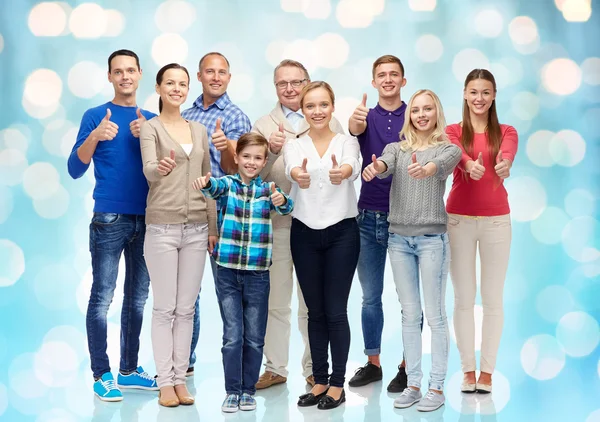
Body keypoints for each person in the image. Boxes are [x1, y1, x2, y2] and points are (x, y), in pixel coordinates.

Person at [67, 49, 158, 401]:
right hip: (109, 219)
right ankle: (101, 375)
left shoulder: (150, 118)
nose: (125, 77)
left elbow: (169, 170)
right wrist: (96, 136)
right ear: (109, 77)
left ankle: (130, 370)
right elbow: (75, 169)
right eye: (117, 71)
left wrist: (148, 135)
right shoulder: (95, 116)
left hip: (148, 219)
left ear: (139, 75)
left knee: (137, 300)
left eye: (130, 70)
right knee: (102, 297)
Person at [362, 89, 460, 411]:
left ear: (436, 113)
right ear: (410, 115)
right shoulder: (396, 148)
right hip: (399, 241)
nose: (420, 114)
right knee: (409, 314)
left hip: (432, 239)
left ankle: (437, 387)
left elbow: (444, 163)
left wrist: (427, 169)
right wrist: (375, 169)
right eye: (416, 110)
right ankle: (414, 383)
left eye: (427, 109)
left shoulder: (446, 148)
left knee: (435, 315)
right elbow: (386, 164)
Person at [251, 59, 345, 389]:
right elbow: (251, 175)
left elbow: (343, 170)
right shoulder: (263, 124)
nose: (289, 88)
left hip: (315, 225)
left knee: (312, 303)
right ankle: (276, 367)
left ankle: (314, 368)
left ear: (307, 83)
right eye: (282, 83)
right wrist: (273, 152)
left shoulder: (326, 120)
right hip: (275, 225)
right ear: (275, 87)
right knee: (276, 301)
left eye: (296, 82)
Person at [192, 133, 293, 413]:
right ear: (236, 158)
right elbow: (212, 188)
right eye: (246, 156)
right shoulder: (227, 184)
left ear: (264, 162)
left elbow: (287, 206)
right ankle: (232, 390)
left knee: (254, 335)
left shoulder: (267, 189)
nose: (251, 162)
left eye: (257, 158)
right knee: (233, 334)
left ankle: (248, 390)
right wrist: (206, 182)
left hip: (258, 274)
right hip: (227, 271)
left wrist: (279, 197)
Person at [139, 63, 217, 407]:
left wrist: (213, 226)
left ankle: (181, 378)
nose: (177, 88)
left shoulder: (198, 130)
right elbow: (149, 171)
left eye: (182, 84)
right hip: (162, 228)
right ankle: (165, 382)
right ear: (158, 88)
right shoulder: (150, 128)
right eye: (170, 83)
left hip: (198, 228)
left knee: (186, 309)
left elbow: (208, 179)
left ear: (188, 89)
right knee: (164, 308)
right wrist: (161, 168)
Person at [284, 81, 360, 410]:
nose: (317, 111)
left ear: (332, 107)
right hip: (304, 232)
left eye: (323, 105)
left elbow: (351, 168)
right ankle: (319, 381)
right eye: (310, 105)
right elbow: (292, 171)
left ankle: (337, 384)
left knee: (335, 311)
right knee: (314, 312)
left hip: (342, 231)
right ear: (303, 109)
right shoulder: (294, 145)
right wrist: (298, 177)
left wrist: (341, 173)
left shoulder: (347, 142)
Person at [445, 69, 518, 394]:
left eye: (485, 92)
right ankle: (467, 371)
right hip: (458, 220)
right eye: (473, 92)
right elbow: (453, 153)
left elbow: (507, 154)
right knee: (463, 299)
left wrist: (503, 165)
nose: (479, 98)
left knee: (492, 299)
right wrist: (466, 164)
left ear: (494, 95)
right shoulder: (451, 131)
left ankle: (487, 372)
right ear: (464, 94)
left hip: (496, 222)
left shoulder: (507, 131)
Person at [181, 52, 252, 375]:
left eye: (222, 72)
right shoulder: (185, 115)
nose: (216, 77)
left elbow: (239, 170)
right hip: (188, 211)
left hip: (225, 216)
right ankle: (185, 363)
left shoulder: (236, 117)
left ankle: (238, 367)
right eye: (209, 71)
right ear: (199, 76)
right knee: (188, 291)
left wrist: (226, 147)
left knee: (230, 292)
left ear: (229, 77)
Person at [347, 54, 412, 392]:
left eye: (394, 74)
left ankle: (406, 365)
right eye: (381, 75)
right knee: (370, 297)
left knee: (407, 299)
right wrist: (356, 121)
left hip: (404, 218)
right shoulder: (365, 116)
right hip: (367, 218)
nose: (387, 80)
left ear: (403, 80)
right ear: (373, 82)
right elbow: (355, 130)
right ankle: (373, 364)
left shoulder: (414, 114)